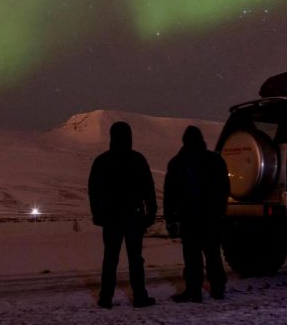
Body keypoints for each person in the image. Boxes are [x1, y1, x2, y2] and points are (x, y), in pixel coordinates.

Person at [88, 121, 157, 309]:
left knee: (110, 259)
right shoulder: (137, 159)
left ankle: (105, 298)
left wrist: (98, 214)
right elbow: (148, 189)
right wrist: (151, 212)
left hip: (111, 217)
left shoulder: (102, 161)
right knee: (135, 259)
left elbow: (94, 191)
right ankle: (140, 296)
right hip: (133, 216)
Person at [164, 126, 230, 303]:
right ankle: (217, 288)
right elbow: (224, 189)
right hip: (211, 217)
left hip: (189, 217)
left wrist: (170, 219)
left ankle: (194, 290)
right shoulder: (215, 160)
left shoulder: (177, 162)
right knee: (213, 253)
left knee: (192, 256)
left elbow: (170, 193)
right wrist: (221, 212)